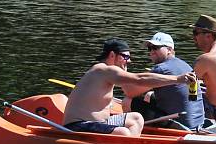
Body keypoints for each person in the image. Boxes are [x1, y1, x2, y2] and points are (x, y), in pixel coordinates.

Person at [63, 38, 195, 137]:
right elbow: (139, 79)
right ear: (112, 55)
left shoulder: (107, 72)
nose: (129, 61)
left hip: (101, 122)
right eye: (125, 56)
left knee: (136, 118)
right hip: (78, 125)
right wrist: (177, 79)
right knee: (123, 132)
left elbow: (135, 82)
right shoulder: (103, 70)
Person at [121, 32, 205, 130]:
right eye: (150, 48)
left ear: (169, 50)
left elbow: (130, 92)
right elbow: (193, 96)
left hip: (180, 125)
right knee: (149, 95)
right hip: (197, 123)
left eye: (155, 48)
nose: (151, 51)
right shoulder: (186, 66)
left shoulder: (161, 69)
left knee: (127, 102)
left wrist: (122, 71)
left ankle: (134, 132)